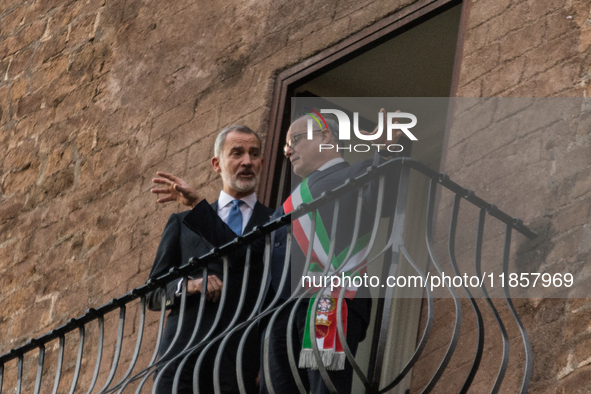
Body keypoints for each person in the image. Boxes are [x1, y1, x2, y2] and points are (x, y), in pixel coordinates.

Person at [163, 109, 403, 393]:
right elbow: (243, 253)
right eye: (286, 146)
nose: (288, 151)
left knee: (325, 387)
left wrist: (386, 152)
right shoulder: (286, 206)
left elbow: (384, 201)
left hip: (329, 303)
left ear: (325, 137)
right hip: (280, 319)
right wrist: (199, 206)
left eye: (295, 140)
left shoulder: (357, 172)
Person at [146, 125, 274, 394]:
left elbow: (242, 255)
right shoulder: (181, 224)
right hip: (181, 357)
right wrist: (189, 285)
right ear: (217, 164)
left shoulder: (275, 222)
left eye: (254, 154)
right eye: (237, 153)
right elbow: (153, 293)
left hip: (241, 360)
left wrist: (269, 357)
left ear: (262, 163)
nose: (247, 161)